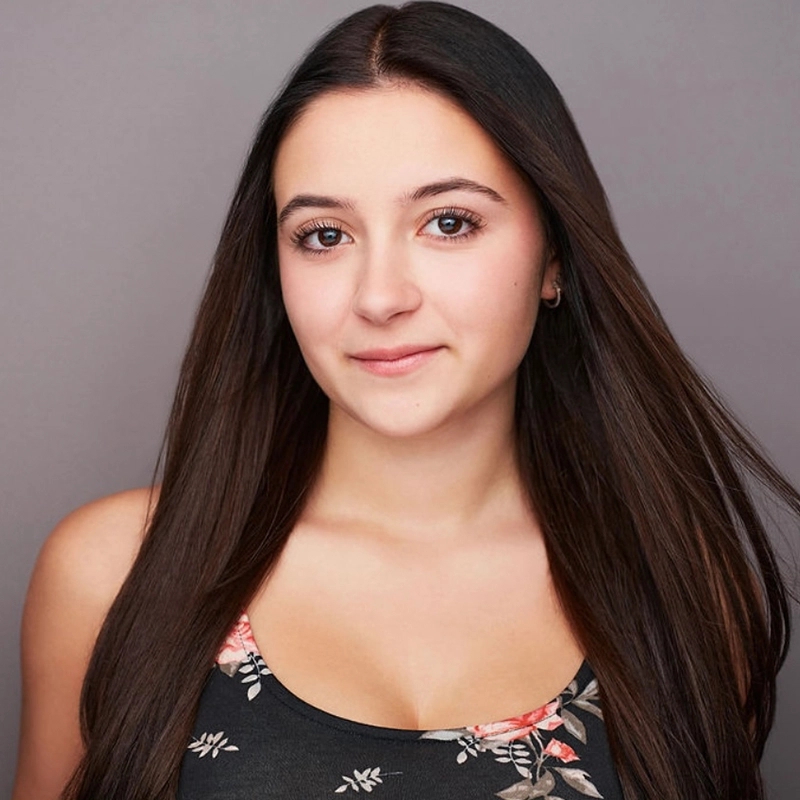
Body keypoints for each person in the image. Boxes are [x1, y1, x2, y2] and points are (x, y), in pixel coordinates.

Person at [12, 2, 798, 799]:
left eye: (448, 222)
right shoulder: (114, 575)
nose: (380, 297)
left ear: (554, 251)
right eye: (324, 235)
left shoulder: (682, 585)